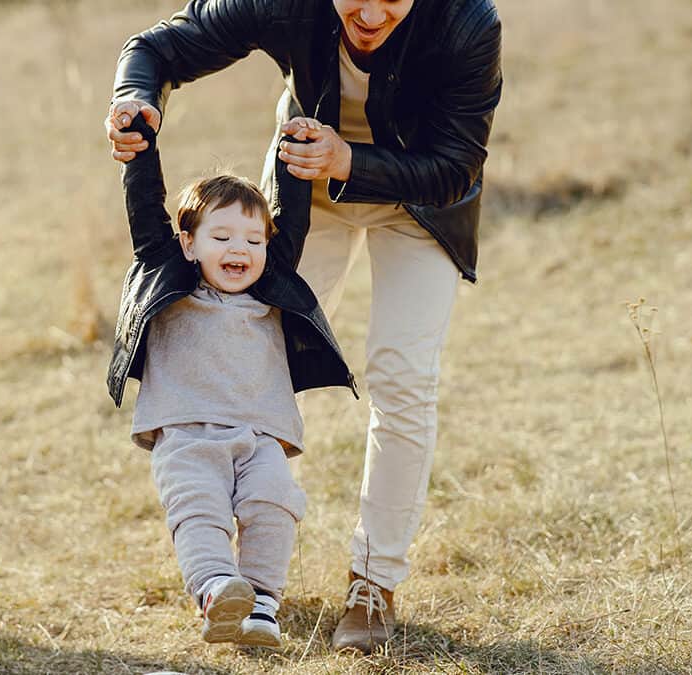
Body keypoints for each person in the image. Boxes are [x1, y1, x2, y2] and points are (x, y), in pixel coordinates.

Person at [105, 0, 503, 653]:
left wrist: (349, 159)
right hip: (302, 198)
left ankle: (373, 583)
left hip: (422, 203)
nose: (370, 11)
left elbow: (457, 163)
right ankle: (232, 574)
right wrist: (133, 101)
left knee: (402, 378)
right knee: (250, 353)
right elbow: (157, 48)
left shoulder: (469, 21)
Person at [108, 116, 355, 647]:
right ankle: (218, 590)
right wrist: (138, 146)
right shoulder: (167, 274)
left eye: (251, 239)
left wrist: (298, 144)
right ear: (189, 244)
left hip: (262, 432)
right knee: (199, 511)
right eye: (220, 236)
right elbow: (145, 210)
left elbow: (292, 217)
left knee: (273, 505)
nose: (238, 250)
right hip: (185, 433)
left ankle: (262, 603)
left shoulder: (272, 287)